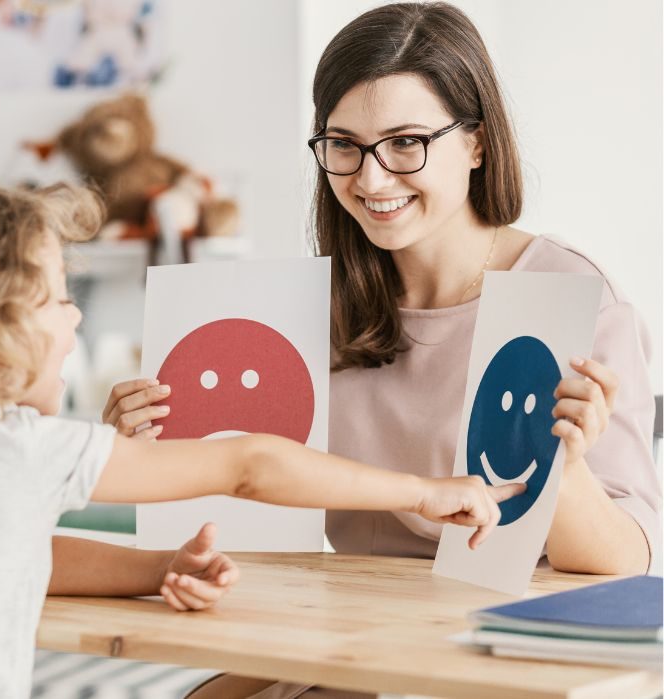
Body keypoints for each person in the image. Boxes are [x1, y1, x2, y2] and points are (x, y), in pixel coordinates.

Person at [104, 3, 661, 697]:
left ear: (478, 143)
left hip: (498, 654)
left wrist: (566, 468)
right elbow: (245, 501)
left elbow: (623, 566)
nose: (370, 180)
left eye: (405, 142)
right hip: (349, 638)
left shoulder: (569, 292)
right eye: (344, 144)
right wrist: (140, 445)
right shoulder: (310, 309)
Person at [0, 181, 518, 699]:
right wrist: (426, 490)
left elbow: (16, 554)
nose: (75, 319)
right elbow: (250, 462)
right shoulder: (14, 446)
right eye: (56, 298)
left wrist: (159, 568)